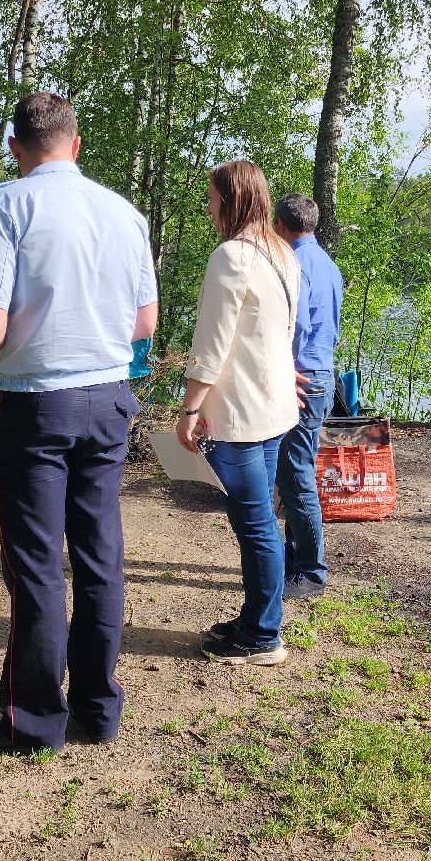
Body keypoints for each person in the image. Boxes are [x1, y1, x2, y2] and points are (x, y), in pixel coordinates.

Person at [0, 92, 157, 755]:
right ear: (76, 143)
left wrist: (27, 349)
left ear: (16, 148)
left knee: (38, 567)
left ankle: (35, 722)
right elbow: (145, 325)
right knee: (100, 560)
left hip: (35, 403)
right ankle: (98, 712)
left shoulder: (8, 205)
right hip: (108, 400)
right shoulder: (126, 214)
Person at [176, 161, 300, 666]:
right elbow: (282, 333)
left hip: (245, 415)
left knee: (256, 524)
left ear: (231, 200)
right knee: (258, 519)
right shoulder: (280, 252)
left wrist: (190, 408)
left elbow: (212, 342)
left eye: (212, 199)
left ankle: (263, 635)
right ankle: (257, 619)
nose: (208, 209)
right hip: (272, 408)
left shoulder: (232, 257)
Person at [272, 193, 343, 599]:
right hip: (321, 373)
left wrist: (280, 371)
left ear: (281, 225)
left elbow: (294, 325)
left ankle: (311, 571)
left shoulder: (295, 263)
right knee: (294, 471)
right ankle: (294, 560)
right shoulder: (328, 265)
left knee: (296, 475)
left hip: (299, 375)